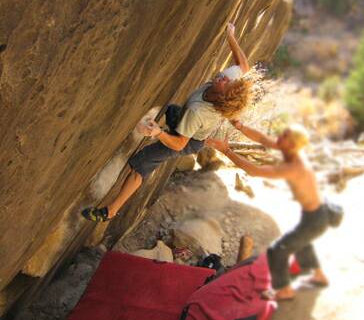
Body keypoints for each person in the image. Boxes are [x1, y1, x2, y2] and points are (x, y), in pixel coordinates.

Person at [82, 22, 252, 223]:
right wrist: (231, 37)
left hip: (187, 141)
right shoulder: (226, 83)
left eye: (225, 82)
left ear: (221, 97)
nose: (223, 76)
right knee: (172, 109)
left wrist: (158, 134)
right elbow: (244, 66)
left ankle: (109, 211)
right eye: (225, 77)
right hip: (182, 120)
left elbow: (180, 143)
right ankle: (164, 130)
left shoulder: (198, 113)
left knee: (141, 162)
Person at [208, 123, 331, 301]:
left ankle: (285, 290)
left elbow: (255, 171)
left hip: (316, 217)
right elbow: (263, 139)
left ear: (293, 145)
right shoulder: (292, 151)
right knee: (303, 242)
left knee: (278, 251)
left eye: (285, 136)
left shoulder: (294, 166)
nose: (279, 138)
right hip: (314, 214)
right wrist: (239, 125)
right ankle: (319, 275)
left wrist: (227, 151)